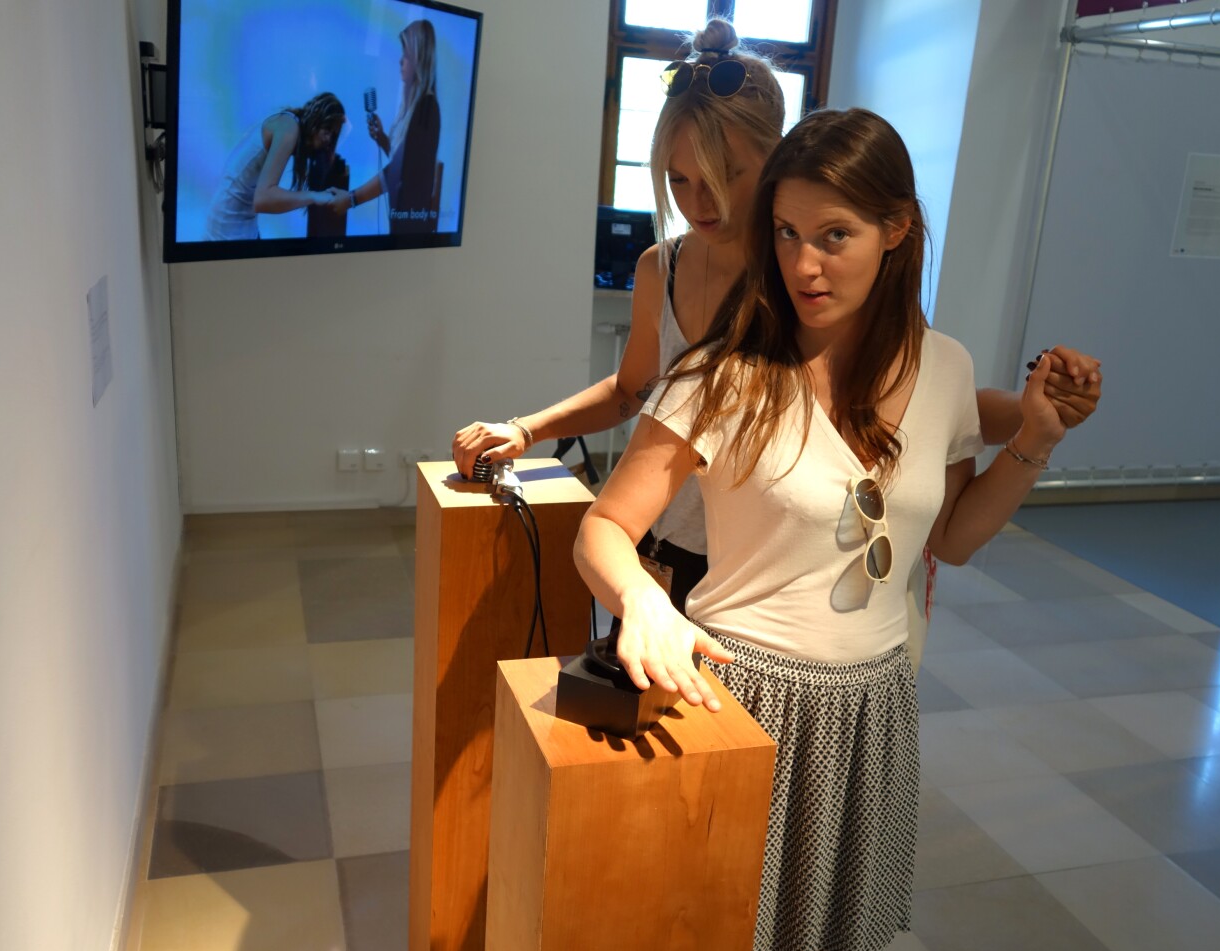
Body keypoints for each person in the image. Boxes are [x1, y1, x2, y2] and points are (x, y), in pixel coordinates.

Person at [574, 107, 1078, 951]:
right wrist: (643, 604)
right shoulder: (725, 373)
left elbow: (949, 541)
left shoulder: (944, 367)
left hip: (872, 703)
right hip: (743, 693)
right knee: (721, 925)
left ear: (896, 229)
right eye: (786, 234)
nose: (804, 265)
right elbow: (604, 528)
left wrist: (1035, 440)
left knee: (832, 932)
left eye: (833, 235)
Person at [452, 19, 1100, 623]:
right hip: (670, 539)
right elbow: (631, 390)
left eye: (724, 176)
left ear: (777, 161)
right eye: (678, 181)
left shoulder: (822, 282)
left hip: (784, 561)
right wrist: (526, 427)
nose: (699, 202)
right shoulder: (665, 267)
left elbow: (927, 399)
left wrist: (1030, 413)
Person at [334, 19, 442, 234]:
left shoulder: (426, 108)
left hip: (410, 230)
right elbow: (407, 164)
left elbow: (397, 172)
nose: (401, 61)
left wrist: (351, 199)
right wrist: (382, 138)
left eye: (407, 55)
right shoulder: (417, 107)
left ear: (420, 59)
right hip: (403, 223)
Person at [204, 92, 348, 240]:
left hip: (242, 223)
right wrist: (315, 197)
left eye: (333, 133)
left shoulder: (291, 124)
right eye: (327, 128)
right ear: (316, 120)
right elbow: (264, 199)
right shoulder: (289, 127)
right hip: (227, 228)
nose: (329, 138)